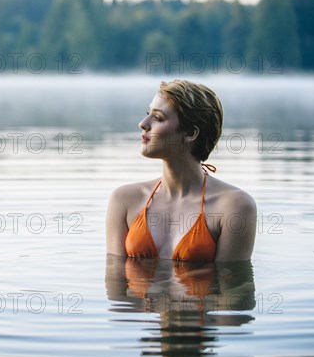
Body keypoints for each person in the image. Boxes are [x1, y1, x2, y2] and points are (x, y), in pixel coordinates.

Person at [106, 79, 256, 261]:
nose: (143, 123)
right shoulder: (124, 200)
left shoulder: (234, 206)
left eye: (158, 118)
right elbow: (115, 280)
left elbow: (233, 286)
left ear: (191, 133)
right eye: (148, 114)